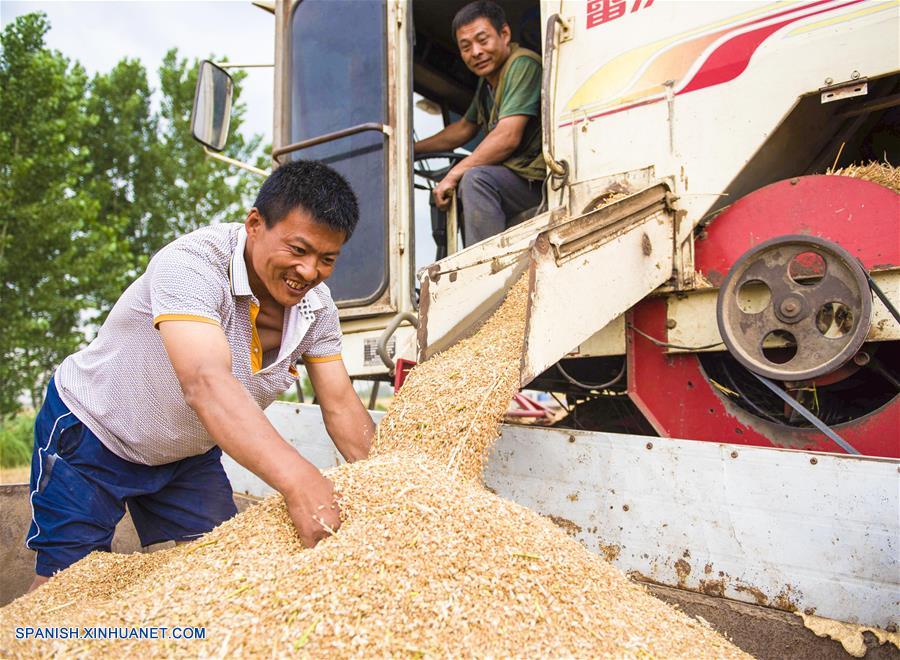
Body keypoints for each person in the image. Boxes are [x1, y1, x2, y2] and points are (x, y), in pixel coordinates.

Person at [25, 160, 375, 590]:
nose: (309, 272)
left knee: (222, 574)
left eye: (327, 259)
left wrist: (386, 484)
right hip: (94, 433)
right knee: (64, 591)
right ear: (254, 224)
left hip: (186, 456)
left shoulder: (318, 310)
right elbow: (206, 382)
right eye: (297, 250)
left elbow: (340, 405)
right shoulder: (192, 264)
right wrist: (300, 480)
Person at [414, 0, 545, 246]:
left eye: (483, 40)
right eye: (466, 46)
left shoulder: (522, 65)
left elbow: (507, 137)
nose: (476, 52)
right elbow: (463, 128)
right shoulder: (487, 83)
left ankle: (485, 270)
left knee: (477, 180)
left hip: (537, 184)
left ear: (504, 34)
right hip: (515, 180)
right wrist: (412, 150)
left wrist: (455, 173)